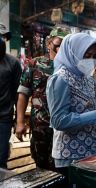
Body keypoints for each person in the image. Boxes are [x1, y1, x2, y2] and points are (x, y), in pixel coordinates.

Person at [46, 33, 96, 175]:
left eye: (94, 56)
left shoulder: (87, 77)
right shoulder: (60, 79)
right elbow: (58, 120)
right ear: (73, 52)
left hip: (91, 153)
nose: (91, 60)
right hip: (70, 155)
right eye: (87, 55)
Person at [15, 28, 68, 171]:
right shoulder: (34, 64)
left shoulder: (70, 67)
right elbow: (23, 94)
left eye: (65, 43)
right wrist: (19, 122)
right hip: (41, 125)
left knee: (62, 166)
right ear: (49, 43)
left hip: (64, 126)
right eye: (59, 42)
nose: (61, 46)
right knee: (41, 165)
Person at [0, 37, 22, 169]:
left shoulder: (12, 63)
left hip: (3, 118)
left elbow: (18, 93)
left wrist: (18, 120)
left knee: (0, 159)